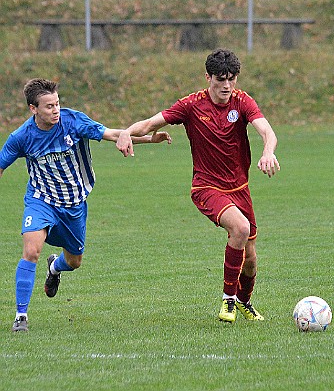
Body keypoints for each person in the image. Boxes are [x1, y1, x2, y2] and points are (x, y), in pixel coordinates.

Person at [116, 49, 280, 323]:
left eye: (231, 79)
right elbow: (148, 124)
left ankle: (244, 301)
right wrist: (125, 132)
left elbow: (267, 130)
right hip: (206, 187)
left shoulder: (242, 102)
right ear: (208, 77)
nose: (226, 85)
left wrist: (268, 152)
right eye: (220, 79)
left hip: (240, 189)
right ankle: (228, 300)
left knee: (250, 259)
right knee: (240, 229)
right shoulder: (192, 105)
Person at [0, 78, 171, 332]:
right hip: (41, 200)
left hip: (74, 204)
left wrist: (146, 140)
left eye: (57, 104)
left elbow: (111, 134)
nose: (55, 110)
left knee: (75, 261)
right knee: (32, 249)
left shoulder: (72, 121)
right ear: (33, 109)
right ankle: (21, 316)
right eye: (49, 106)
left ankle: (54, 268)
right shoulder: (22, 137)